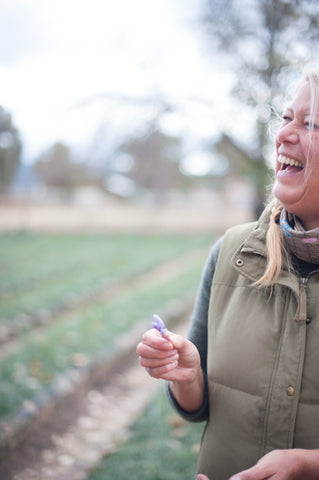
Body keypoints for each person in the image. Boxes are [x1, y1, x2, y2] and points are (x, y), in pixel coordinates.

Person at [136, 63, 319, 480]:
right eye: (287, 117)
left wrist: (308, 466)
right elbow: (198, 406)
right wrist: (187, 376)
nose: (285, 134)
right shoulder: (231, 252)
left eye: (312, 124)